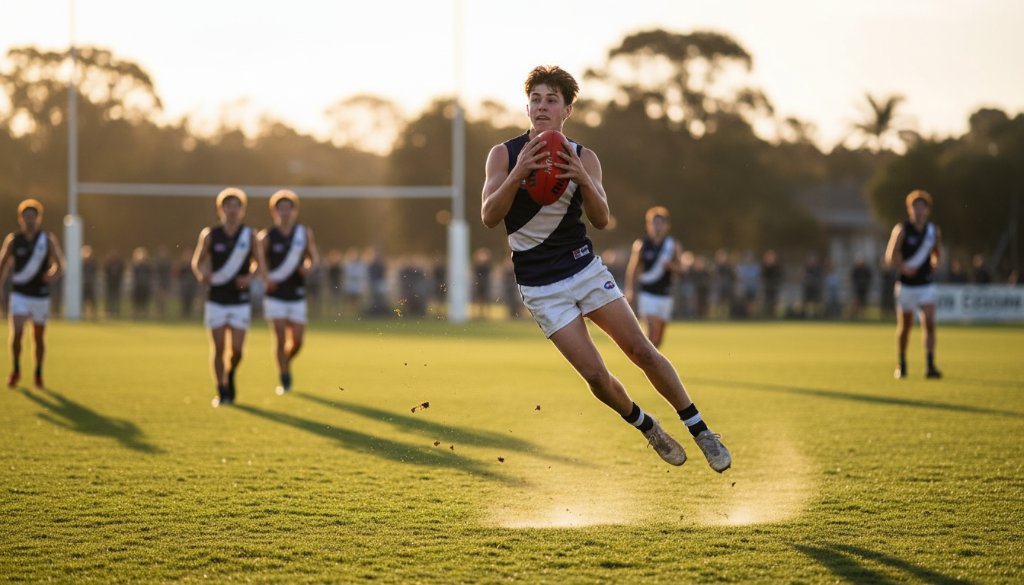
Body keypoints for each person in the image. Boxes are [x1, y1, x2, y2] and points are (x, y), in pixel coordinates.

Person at [480, 65, 730, 471]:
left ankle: (701, 430)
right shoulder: (503, 154)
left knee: (640, 351)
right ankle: (647, 426)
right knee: (596, 376)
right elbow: (490, 216)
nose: (542, 107)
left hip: (584, 270)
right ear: (527, 106)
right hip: (541, 285)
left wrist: (583, 179)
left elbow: (601, 219)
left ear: (568, 110)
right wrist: (519, 173)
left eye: (551, 100)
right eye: (536, 99)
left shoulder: (584, 157)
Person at [191, 187, 256, 406]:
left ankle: (230, 375)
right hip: (217, 298)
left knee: (237, 350)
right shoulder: (210, 234)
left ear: (242, 210)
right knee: (218, 347)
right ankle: (221, 389)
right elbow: (197, 262)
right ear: (221, 209)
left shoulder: (250, 235)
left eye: (236, 207)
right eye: (228, 206)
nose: (232, 211)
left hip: (240, 299)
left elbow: (259, 265)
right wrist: (202, 275)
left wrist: (249, 278)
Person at [256, 190, 320, 395]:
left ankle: (284, 362)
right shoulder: (267, 236)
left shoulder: (303, 233)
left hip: (296, 293)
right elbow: (258, 262)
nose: (285, 212)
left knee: (298, 341)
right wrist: (266, 279)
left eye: (288, 208)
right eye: (280, 208)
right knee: (280, 336)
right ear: (274, 211)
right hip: (275, 295)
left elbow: (314, 257)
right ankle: (284, 377)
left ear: (294, 211)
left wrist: (308, 268)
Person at [0, 199, 66, 389]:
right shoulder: (14, 240)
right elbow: (2, 265)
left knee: (38, 338)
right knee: (18, 333)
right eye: (27, 217)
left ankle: (38, 372)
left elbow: (60, 264)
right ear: (21, 219)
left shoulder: (47, 240)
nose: (30, 220)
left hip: (40, 295)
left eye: (33, 217)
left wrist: (51, 275)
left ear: (39, 219)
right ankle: (16, 369)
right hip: (19, 294)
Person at [884, 189, 943, 379]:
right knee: (905, 328)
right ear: (910, 209)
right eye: (915, 207)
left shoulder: (933, 231)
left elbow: (936, 253)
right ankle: (901, 363)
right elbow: (889, 257)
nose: (918, 211)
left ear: (927, 210)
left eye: (921, 207)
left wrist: (936, 263)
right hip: (906, 286)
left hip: (925, 285)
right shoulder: (901, 229)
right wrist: (903, 267)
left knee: (930, 323)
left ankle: (930, 364)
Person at [625, 206, 683, 348]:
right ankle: (647, 363)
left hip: (665, 295)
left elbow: (682, 270)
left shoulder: (673, 245)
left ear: (667, 226)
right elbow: (633, 269)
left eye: (660, 224)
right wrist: (630, 290)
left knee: (658, 340)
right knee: (652, 332)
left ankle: (651, 365)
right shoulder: (641, 245)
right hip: (647, 294)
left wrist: (672, 266)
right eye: (654, 224)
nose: (657, 227)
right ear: (648, 226)